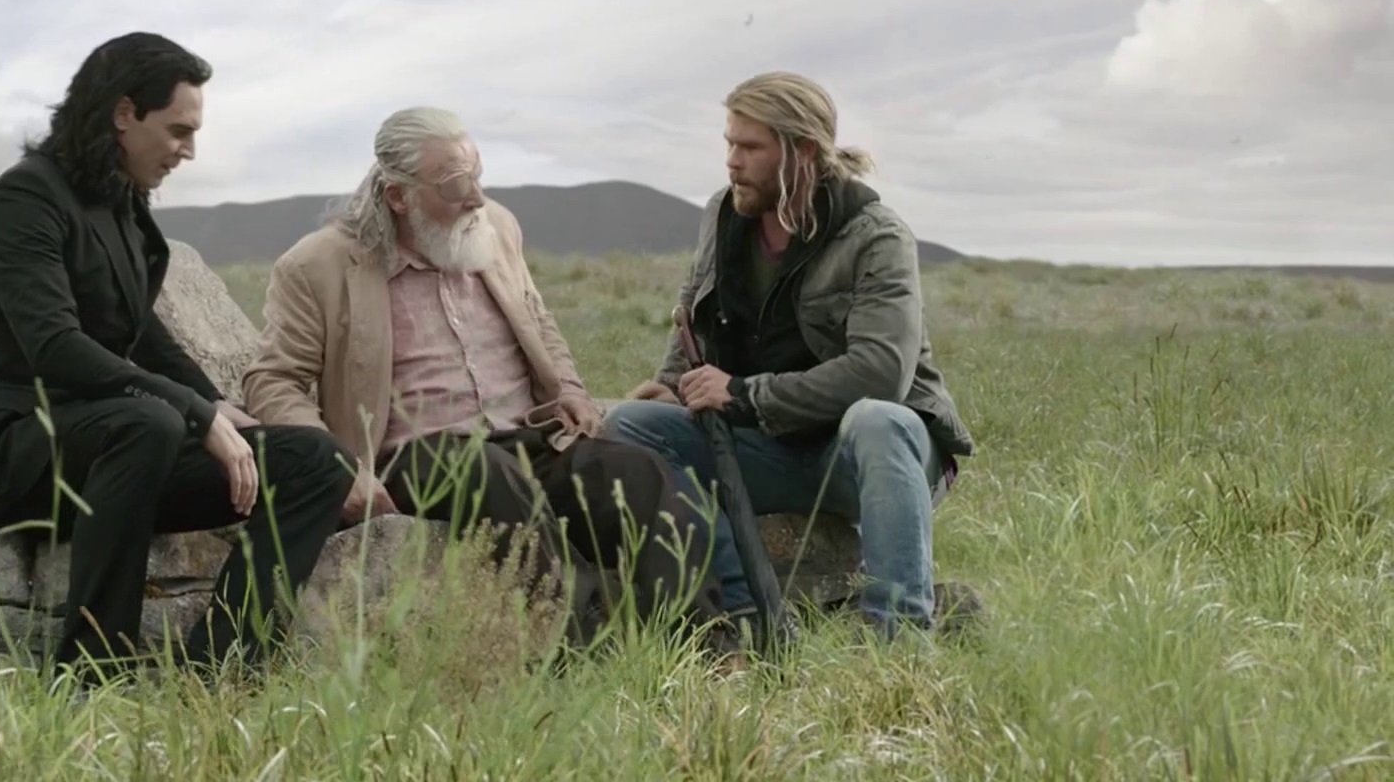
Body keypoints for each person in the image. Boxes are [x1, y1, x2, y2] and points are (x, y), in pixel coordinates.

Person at [241, 106, 741, 658]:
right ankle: (591, 643)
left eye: (478, 176)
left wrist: (570, 389)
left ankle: (704, 645)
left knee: (640, 475)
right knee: (485, 472)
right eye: (457, 185)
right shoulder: (318, 265)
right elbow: (274, 381)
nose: (476, 198)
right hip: (418, 456)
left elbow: (538, 321)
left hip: (527, 439)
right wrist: (340, 469)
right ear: (398, 196)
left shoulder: (495, 228)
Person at [0, 32, 353, 684]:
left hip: (124, 454)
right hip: (22, 453)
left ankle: (222, 666)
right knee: (150, 422)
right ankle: (92, 671)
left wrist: (219, 405)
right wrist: (195, 413)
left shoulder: (124, 206)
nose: (188, 151)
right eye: (178, 131)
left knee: (316, 459)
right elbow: (55, 348)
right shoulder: (26, 197)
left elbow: (140, 333)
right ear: (123, 113)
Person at [603, 72, 978, 641]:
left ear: (802, 151)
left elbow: (881, 373)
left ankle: (899, 641)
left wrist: (743, 394)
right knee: (631, 424)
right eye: (729, 143)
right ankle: (735, 608)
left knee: (879, 419)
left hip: (866, 458)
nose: (732, 161)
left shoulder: (876, 236)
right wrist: (672, 383)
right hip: (770, 448)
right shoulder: (723, 212)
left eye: (750, 147)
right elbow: (694, 308)